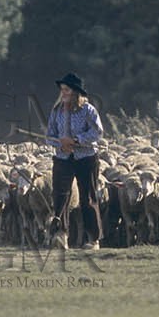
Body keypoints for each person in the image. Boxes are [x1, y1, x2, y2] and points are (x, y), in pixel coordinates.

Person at [47, 72, 104, 250]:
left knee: (87, 197)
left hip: (86, 158)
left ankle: (93, 239)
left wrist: (76, 140)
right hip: (63, 158)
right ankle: (60, 235)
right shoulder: (56, 111)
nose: (63, 93)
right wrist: (60, 144)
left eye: (67, 90)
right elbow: (49, 135)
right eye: (62, 90)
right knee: (60, 196)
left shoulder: (88, 110)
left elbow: (97, 132)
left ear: (76, 92)